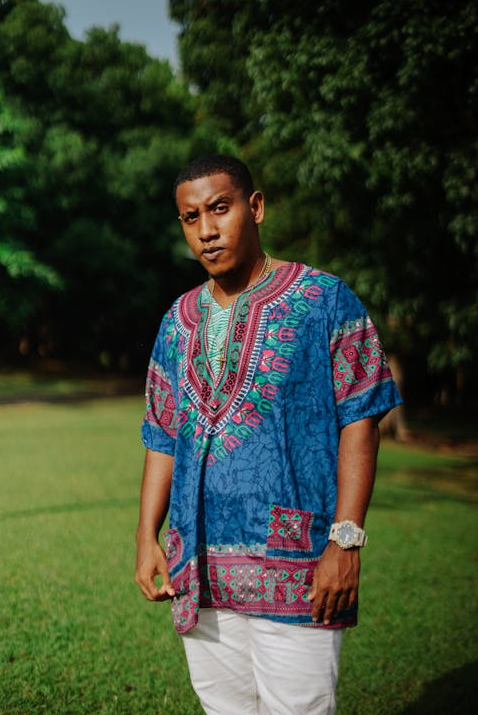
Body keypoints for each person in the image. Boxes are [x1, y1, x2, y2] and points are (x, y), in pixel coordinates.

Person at [135, 154, 402, 714]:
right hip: (199, 570)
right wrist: (146, 538)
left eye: (219, 209)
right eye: (190, 218)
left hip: (300, 564)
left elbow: (361, 418)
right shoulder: (176, 321)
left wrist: (346, 540)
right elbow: (162, 434)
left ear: (254, 208)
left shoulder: (324, 300)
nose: (206, 231)